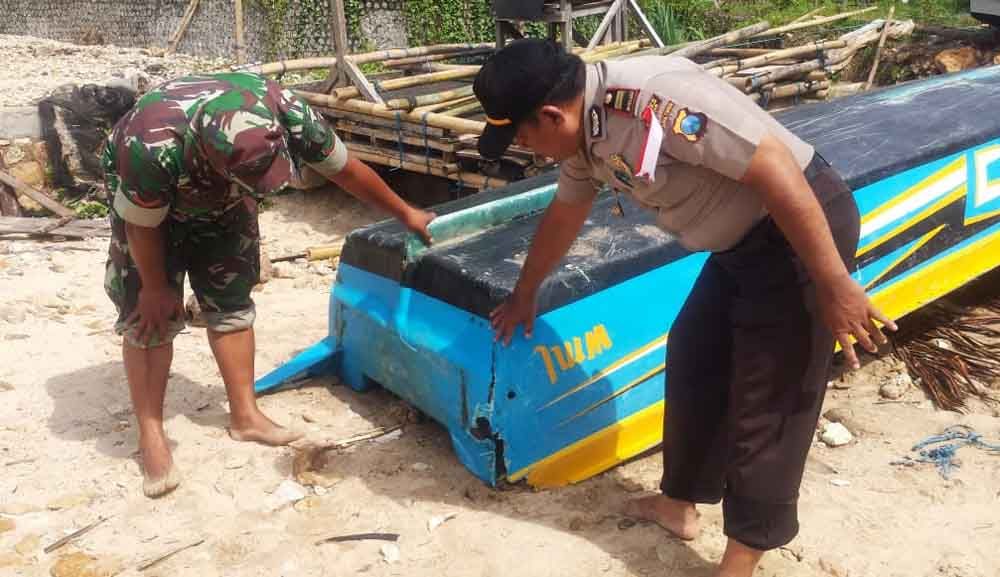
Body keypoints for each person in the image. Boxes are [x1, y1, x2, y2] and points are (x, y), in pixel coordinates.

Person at [473, 39, 896, 577]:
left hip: (797, 229)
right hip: (740, 247)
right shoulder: (584, 131)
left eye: (523, 136)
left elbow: (775, 167)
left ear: (551, 114)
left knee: (770, 397)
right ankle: (679, 504)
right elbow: (566, 212)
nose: (527, 149)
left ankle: (741, 558)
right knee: (696, 355)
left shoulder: (655, 101)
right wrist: (525, 292)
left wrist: (833, 281)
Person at [102, 71, 435, 498]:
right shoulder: (150, 144)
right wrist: (153, 288)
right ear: (209, 155)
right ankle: (151, 434)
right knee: (148, 319)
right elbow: (142, 225)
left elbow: (346, 170)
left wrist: (405, 212)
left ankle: (245, 416)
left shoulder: (284, 109)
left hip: (222, 202)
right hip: (147, 212)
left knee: (231, 298)